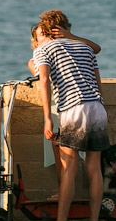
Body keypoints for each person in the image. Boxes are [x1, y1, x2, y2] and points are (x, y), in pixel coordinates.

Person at [30, 9, 110, 221]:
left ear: (45, 30)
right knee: (94, 169)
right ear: (67, 27)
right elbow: (97, 79)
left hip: (73, 109)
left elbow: (43, 81)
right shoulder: (85, 48)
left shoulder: (43, 49)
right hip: (97, 108)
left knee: (68, 169)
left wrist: (47, 118)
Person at [27, 20, 102, 201]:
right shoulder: (36, 58)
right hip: (57, 106)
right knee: (59, 152)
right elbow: (43, 77)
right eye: (42, 35)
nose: (49, 38)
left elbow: (96, 49)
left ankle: (67, 197)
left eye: (50, 33)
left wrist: (69, 37)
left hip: (72, 106)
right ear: (36, 43)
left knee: (75, 159)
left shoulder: (76, 50)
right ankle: (64, 192)